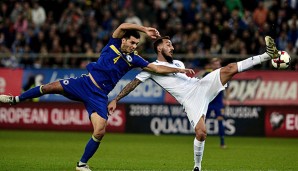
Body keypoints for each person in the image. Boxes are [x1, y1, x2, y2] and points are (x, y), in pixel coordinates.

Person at [0, 23, 194, 171]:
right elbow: (123, 26)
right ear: (124, 40)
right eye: (132, 42)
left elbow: (157, 68)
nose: (134, 46)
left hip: (99, 96)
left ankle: (82, 164)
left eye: (137, 44)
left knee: (100, 130)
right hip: (83, 83)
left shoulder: (134, 59)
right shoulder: (113, 44)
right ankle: (15, 99)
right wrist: (144, 29)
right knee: (50, 87)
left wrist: (181, 69)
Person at [108, 36, 280, 171]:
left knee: (229, 69)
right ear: (159, 47)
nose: (172, 47)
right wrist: (116, 99)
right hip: (189, 100)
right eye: (168, 44)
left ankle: (267, 54)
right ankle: (197, 167)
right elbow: (133, 84)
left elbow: (187, 79)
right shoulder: (151, 67)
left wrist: (196, 76)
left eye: (172, 45)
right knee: (201, 133)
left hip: (200, 86)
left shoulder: (178, 63)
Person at [200, 58, 227, 149]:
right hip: (208, 101)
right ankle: (199, 140)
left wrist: (227, 99)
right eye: (215, 64)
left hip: (218, 102)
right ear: (211, 66)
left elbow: (227, 87)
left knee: (220, 119)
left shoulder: (223, 74)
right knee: (202, 121)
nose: (217, 66)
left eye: (218, 64)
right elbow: (200, 85)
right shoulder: (207, 74)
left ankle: (222, 142)